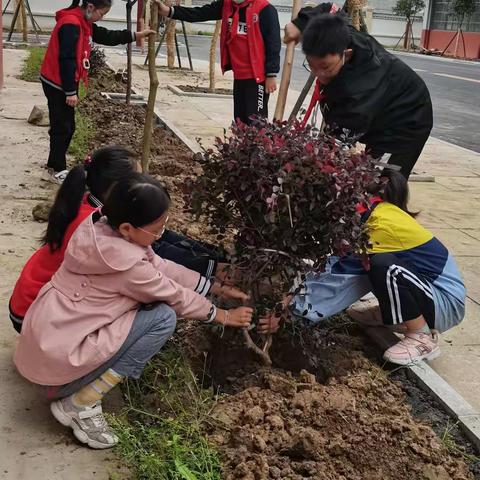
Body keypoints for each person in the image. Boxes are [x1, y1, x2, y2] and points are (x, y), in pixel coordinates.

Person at [14, 173, 253, 449]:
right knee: (162, 318)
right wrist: (222, 315)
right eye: (158, 229)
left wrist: (213, 287)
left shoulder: (100, 229)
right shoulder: (127, 266)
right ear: (128, 227)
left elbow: (161, 267)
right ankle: (80, 402)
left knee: (150, 308)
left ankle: (68, 383)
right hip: (60, 360)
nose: (161, 234)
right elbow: (173, 295)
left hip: (46, 342)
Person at [9, 147, 229, 333]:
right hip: (33, 313)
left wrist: (211, 264)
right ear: (118, 190)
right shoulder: (93, 226)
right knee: (142, 302)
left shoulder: (94, 207)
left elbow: (160, 243)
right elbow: (157, 262)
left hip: (30, 301)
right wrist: (213, 296)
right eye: (139, 180)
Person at [258, 168, 466, 366]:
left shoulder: (378, 226)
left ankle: (421, 337)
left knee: (380, 264)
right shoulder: (374, 212)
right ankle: (389, 314)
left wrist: (289, 312)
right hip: (427, 295)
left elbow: (339, 276)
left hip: (444, 304)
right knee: (372, 263)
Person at [284, 8, 433, 179]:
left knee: (383, 182)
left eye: (325, 67)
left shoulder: (359, 91)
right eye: (311, 65)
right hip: (380, 108)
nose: (318, 74)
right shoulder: (338, 33)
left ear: (346, 55)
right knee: (365, 175)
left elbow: (336, 143)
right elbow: (330, 8)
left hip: (408, 118)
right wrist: (300, 23)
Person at [40, 0, 154, 183]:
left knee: (67, 126)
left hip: (63, 81)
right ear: (91, 7)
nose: (102, 17)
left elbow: (106, 36)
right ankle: (54, 169)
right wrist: (70, 91)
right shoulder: (71, 24)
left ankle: (55, 165)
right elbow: (67, 59)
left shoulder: (83, 22)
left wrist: (136, 35)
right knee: (62, 127)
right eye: (102, 13)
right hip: (57, 82)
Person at [154, 0, 281, 124]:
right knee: (240, 120)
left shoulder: (265, 9)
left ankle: (260, 145)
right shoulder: (227, 5)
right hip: (239, 75)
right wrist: (169, 11)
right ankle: (242, 145)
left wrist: (271, 74)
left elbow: (273, 44)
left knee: (257, 122)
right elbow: (200, 13)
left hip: (258, 77)